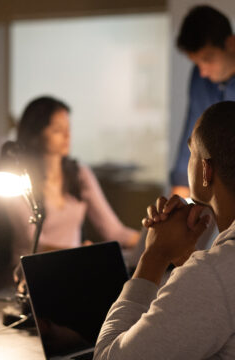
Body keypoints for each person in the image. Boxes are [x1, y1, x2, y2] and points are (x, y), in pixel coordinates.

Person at [94, 101, 235, 359]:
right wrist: (185, 264)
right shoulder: (214, 273)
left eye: (190, 151)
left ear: (206, 170)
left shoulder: (216, 273)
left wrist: (154, 256)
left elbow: (108, 357)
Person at [7, 96, 140, 265]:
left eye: (68, 128)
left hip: (74, 268)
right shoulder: (18, 180)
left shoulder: (80, 174)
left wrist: (152, 241)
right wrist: (81, 253)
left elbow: (114, 231)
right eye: (57, 129)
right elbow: (34, 242)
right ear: (34, 135)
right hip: (31, 273)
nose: (67, 135)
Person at [171, 5, 235, 198]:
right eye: (197, 63)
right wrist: (180, 191)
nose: (203, 71)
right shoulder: (200, 80)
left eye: (208, 59)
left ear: (231, 44)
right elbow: (193, 134)